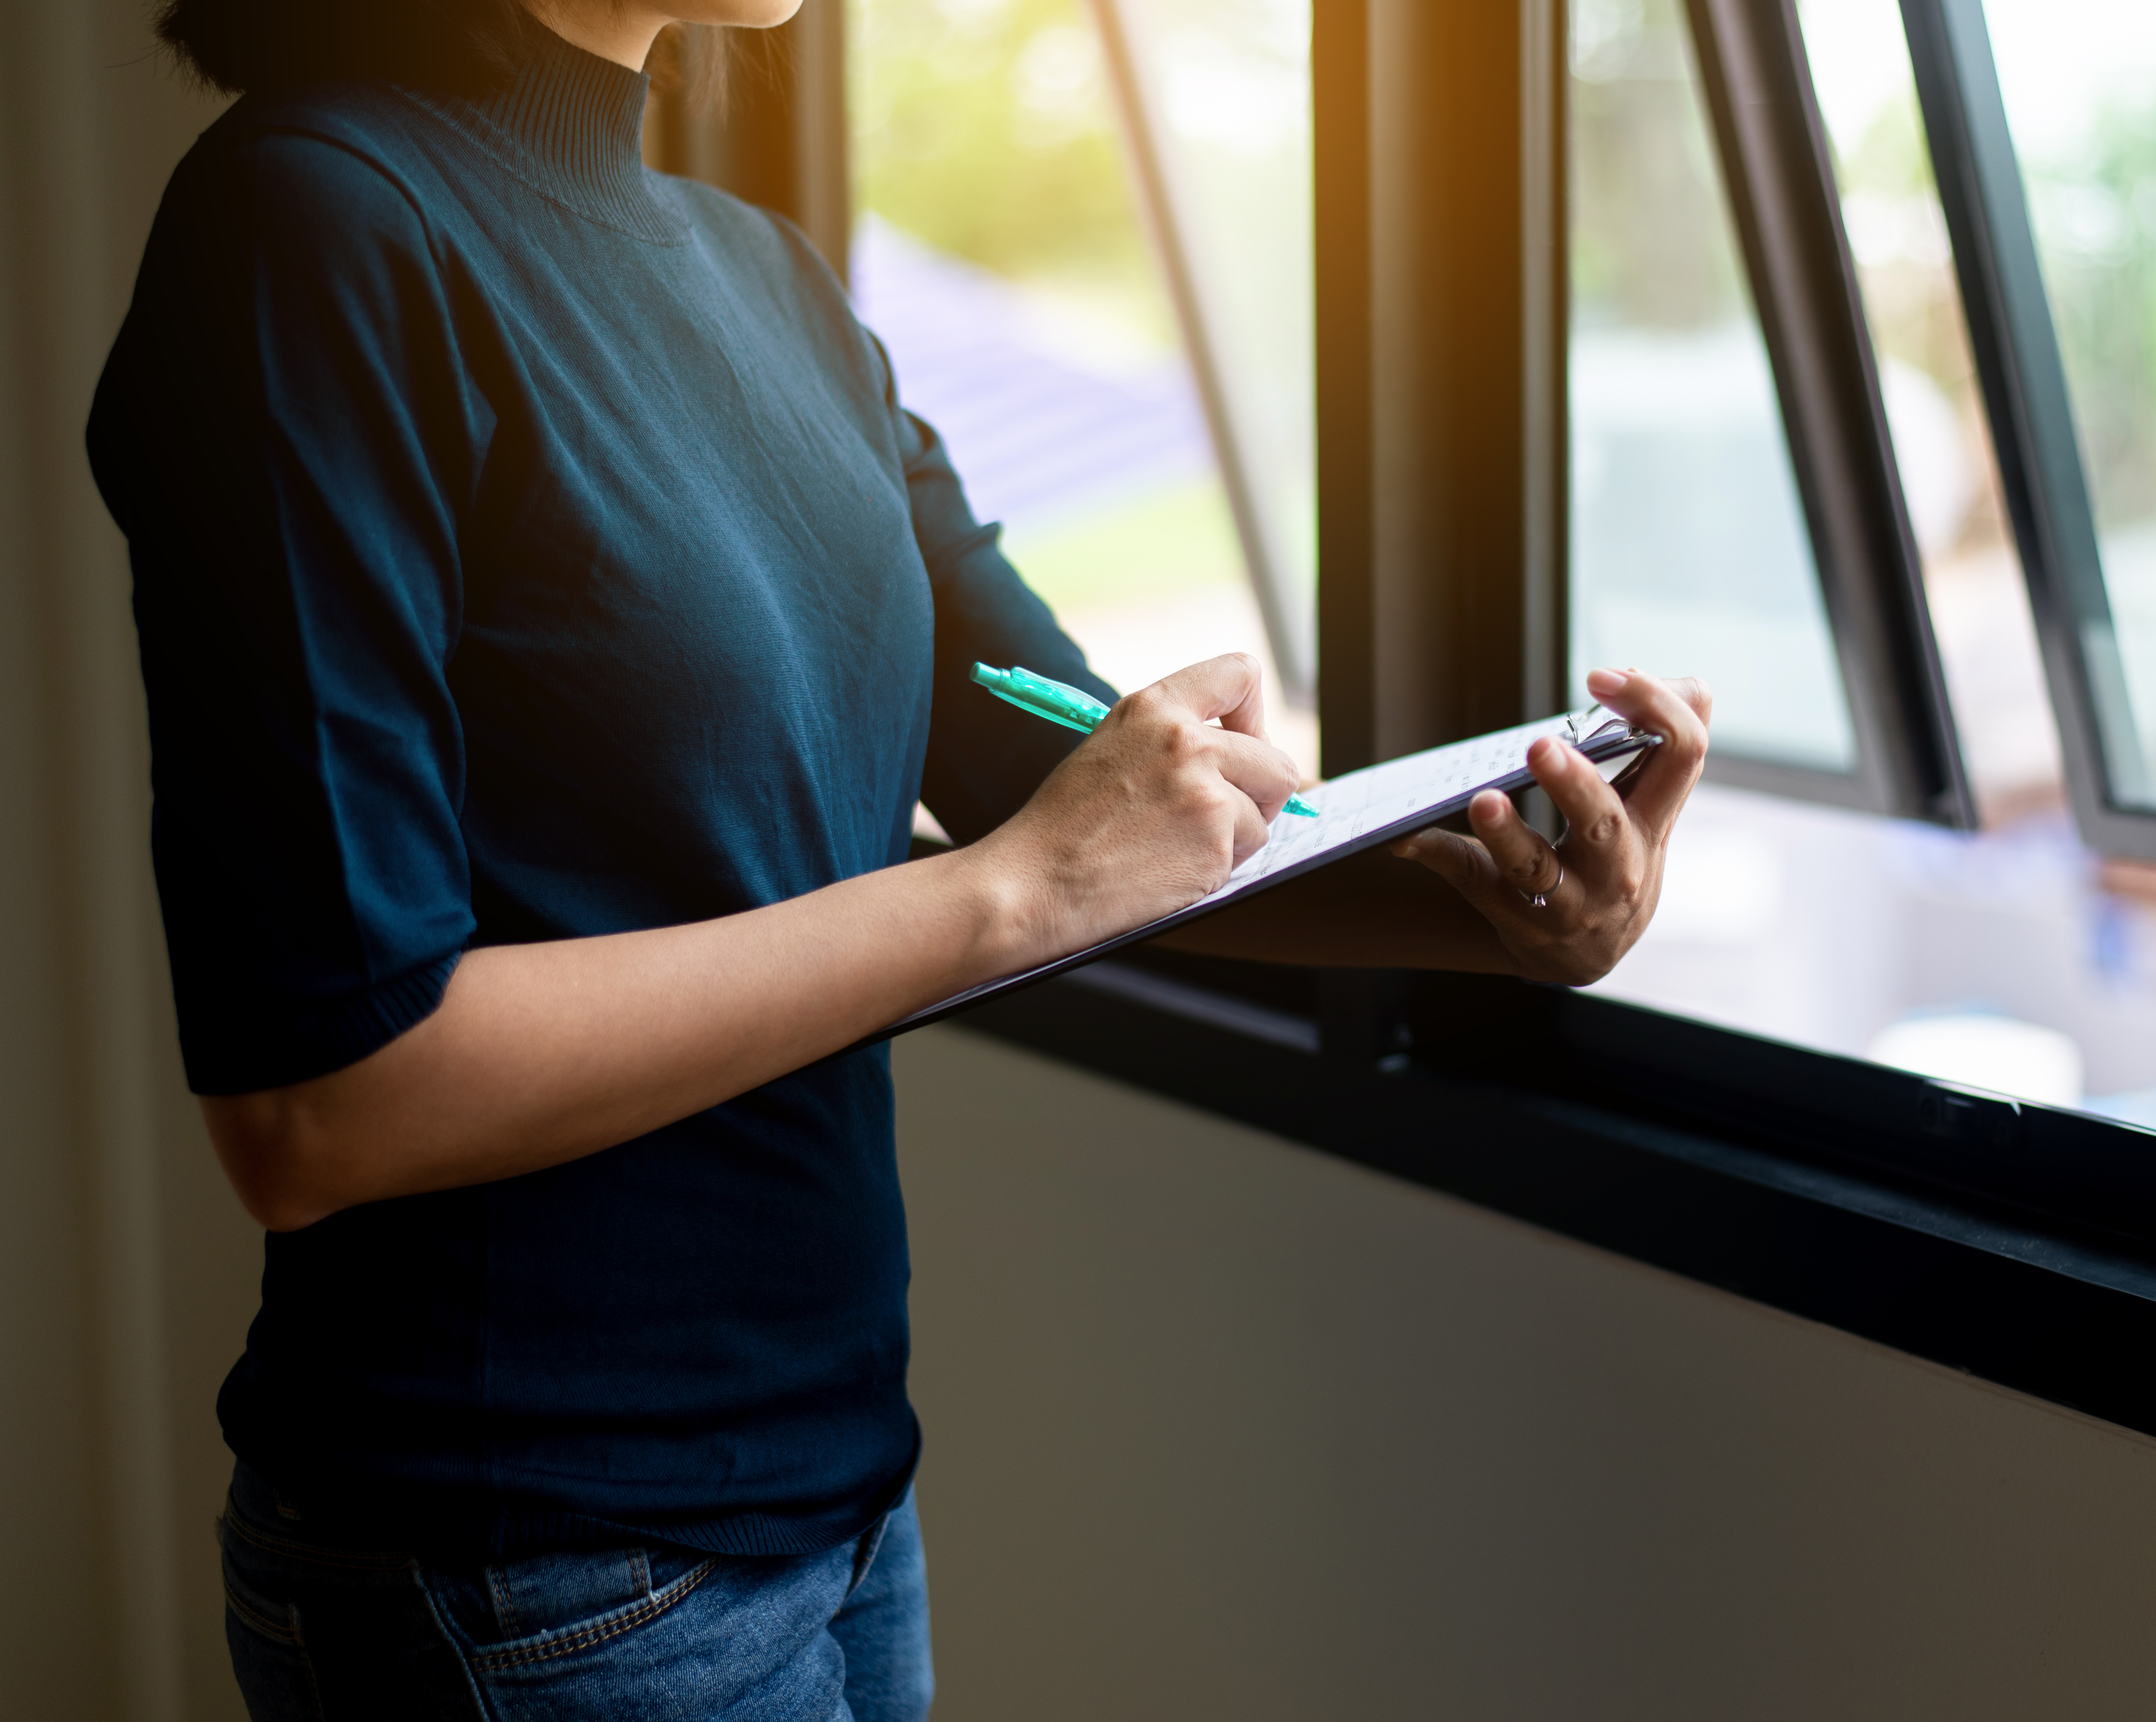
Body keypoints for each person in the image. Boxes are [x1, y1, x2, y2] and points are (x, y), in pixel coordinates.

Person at [87, 0, 1712, 1714]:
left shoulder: (767, 282)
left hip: (833, 1504)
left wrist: (1513, 911)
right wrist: (1006, 890)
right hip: (521, 1565)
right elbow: (322, 1102)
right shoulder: (308, 227)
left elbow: (1109, 805)